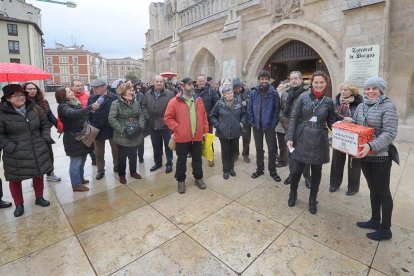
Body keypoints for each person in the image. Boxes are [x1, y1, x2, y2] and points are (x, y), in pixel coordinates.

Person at [349, 77, 398, 241]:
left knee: (383, 191)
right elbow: (356, 125)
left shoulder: (388, 107)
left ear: (381, 90)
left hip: (381, 156)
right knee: (373, 188)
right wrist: (347, 124)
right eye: (368, 88)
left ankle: (386, 229)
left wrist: (371, 145)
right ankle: (375, 220)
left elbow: (389, 133)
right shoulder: (361, 106)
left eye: (374, 88)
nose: (370, 91)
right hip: (365, 155)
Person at [285, 71, 337, 214]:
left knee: (316, 172)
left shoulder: (328, 102)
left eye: (322, 82)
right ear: (311, 83)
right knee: (296, 171)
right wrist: (290, 137)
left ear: (326, 84)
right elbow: (294, 118)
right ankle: (293, 193)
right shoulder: (303, 97)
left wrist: (343, 126)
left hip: (319, 139)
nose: (319, 85)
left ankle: (312, 199)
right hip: (302, 136)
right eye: (316, 82)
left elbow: (332, 121)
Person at [0, 84, 53, 217]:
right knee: (15, 179)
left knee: (38, 174)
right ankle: (19, 204)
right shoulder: (2, 113)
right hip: (15, 152)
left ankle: (39, 197)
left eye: (22, 94)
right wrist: (11, 147)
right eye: (16, 95)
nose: (21, 97)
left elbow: (45, 124)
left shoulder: (34, 108)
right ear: (7, 98)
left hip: (37, 148)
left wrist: (44, 137)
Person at [164, 77, 209, 194]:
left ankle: (198, 178)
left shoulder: (198, 100)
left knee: (197, 159)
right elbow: (168, 118)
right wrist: (178, 128)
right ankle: (181, 181)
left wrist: (204, 131)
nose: (192, 86)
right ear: (182, 86)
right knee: (181, 160)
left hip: (197, 136)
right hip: (182, 137)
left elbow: (204, 116)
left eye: (192, 84)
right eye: (189, 84)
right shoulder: (174, 101)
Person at [56, 87, 99, 192]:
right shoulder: (63, 107)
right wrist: (90, 107)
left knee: (83, 159)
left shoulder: (74, 103)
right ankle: (76, 184)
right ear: (63, 95)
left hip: (81, 136)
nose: (72, 92)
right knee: (76, 162)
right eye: (69, 92)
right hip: (73, 138)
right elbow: (73, 114)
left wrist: (90, 112)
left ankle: (80, 179)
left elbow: (80, 115)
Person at [23, 82, 62, 182]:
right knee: (34, 156)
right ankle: (35, 177)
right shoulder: (22, 103)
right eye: (29, 89)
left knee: (48, 154)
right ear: (24, 90)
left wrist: (59, 126)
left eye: (34, 88)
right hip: (31, 134)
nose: (32, 91)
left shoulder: (43, 102)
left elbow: (50, 116)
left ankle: (50, 173)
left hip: (44, 131)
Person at [247, 70, 281, 182]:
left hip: (269, 126)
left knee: (272, 149)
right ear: (259, 80)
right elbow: (250, 108)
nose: (264, 81)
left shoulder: (274, 93)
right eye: (262, 79)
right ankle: (260, 169)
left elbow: (277, 110)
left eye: (266, 79)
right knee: (258, 148)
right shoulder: (253, 93)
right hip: (257, 126)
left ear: (269, 80)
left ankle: (272, 171)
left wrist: (273, 123)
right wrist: (252, 121)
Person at [329, 82, 363, 195]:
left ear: (352, 91)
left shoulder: (359, 103)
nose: (343, 92)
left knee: (354, 163)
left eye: (346, 90)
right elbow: (331, 116)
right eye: (342, 89)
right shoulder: (336, 101)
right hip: (340, 134)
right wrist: (335, 122)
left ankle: (353, 187)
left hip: (354, 136)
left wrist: (352, 121)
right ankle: (334, 184)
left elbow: (363, 120)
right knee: (337, 161)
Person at [108, 83, 145, 185]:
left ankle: (133, 172)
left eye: (132, 89)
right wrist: (123, 129)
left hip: (135, 132)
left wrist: (141, 126)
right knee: (122, 156)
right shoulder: (116, 103)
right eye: (130, 89)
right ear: (123, 90)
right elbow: (112, 119)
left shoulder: (136, 102)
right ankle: (122, 175)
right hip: (123, 134)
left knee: (134, 154)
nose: (132, 91)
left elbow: (141, 115)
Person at [281, 71, 312, 187]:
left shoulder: (308, 92)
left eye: (296, 78)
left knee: (305, 154)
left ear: (300, 79)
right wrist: (285, 124)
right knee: (291, 154)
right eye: (291, 79)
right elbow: (282, 110)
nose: (293, 81)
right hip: (289, 128)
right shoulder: (285, 93)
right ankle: (292, 174)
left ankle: (307, 176)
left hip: (304, 130)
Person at [210, 84, 246, 179]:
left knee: (234, 151)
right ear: (224, 95)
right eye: (228, 93)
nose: (230, 95)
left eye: (231, 93)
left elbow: (244, 114)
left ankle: (231, 168)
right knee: (225, 151)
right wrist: (218, 125)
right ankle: (226, 170)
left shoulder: (238, 103)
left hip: (235, 131)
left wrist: (242, 122)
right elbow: (212, 115)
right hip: (223, 132)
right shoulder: (219, 104)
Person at [87, 79, 119, 180]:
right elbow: (88, 113)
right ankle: (100, 170)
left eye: (97, 88)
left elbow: (118, 113)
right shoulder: (91, 98)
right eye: (93, 88)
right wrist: (92, 123)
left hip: (112, 128)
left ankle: (117, 167)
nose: (94, 90)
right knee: (99, 152)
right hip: (98, 129)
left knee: (116, 150)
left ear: (104, 87)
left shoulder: (114, 97)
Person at [142, 75, 174, 173]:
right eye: (157, 81)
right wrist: (147, 116)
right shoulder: (147, 94)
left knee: (168, 146)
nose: (159, 83)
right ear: (153, 82)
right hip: (153, 124)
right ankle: (158, 163)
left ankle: (169, 163)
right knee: (156, 145)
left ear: (164, 83)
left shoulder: (170, 94)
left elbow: (173, 108)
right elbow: (144, 107)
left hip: (166, 125)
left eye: (161, 81)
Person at [195, 74, 220, 167]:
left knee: (208, 140)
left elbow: (217, 104)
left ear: (205, 81)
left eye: (202, 80)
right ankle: (196, 158)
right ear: (197, 82)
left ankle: (210, 157)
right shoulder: (193, 92)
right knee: (197, 140)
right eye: (199, 81)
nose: (201, 82)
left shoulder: (211, 91)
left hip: (208, 121)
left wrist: (212, 115)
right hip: (196, 121)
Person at [70, 80, 96, 165]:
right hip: (75, 128)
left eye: (81, 85)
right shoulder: (69, 97)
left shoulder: (88, 96)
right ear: (72, 87)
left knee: (91, 144)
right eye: (77, 86)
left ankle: (94, 159)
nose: (80, 87)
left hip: (87, 125)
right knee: (78, 149)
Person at [233, 78, 252, 163]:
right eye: (236, 88)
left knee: (246, 137)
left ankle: (245, 154)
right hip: (235, 118)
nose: (238, 90)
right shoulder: (231, 93)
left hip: (246, 118)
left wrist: (247, 101)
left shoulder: (247, 91)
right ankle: (235, 153)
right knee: (235, 137)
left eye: (239, 88)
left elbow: (252, 99)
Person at [275, 82, 288, 168]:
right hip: (280, 125)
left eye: (280, 87)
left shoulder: (284, 96)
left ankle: (283, 161)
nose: (277, 88)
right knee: (283, 144)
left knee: (283, 145)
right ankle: (284, 158)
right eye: (278, 86)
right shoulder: (279, 95)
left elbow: (283, 110)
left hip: (282, 125)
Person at [133, 81, 146, 163]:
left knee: (141, 141)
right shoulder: (124, 98)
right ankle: (133, 157)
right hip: (130, 122)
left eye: (132, 89)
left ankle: (141, 157)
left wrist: (142, 120)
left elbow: (144, 107)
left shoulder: (141, 95)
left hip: (140, 121)